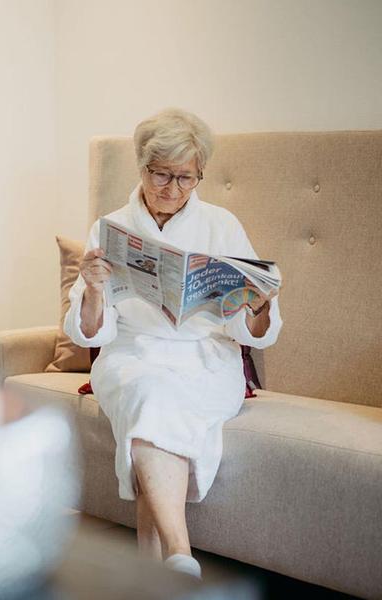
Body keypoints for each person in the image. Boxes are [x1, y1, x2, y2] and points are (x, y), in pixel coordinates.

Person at [63, 108, 282, 580]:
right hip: (132, 354)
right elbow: (91, 333)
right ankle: (180, 556)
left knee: (154, 403)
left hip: (205, 360)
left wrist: (259, 305)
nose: (173, 189)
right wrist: (95, 289)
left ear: (200, 174)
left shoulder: (222, 225)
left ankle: (159, 570)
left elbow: (252, 328)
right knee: (148, 391)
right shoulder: (111, 227)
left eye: (186, 178)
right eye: (161, 174)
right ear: (141, 168)